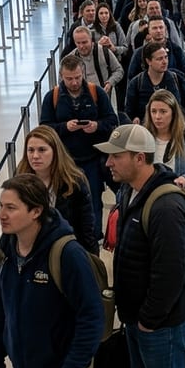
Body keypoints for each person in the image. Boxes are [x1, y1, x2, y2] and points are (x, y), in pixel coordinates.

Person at [98, 125, 185, 368]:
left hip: (162, 324)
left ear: (139, 158)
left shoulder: (166, 206)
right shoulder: (130, 190)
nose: (108, 163)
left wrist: (149, 321)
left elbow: (169, 273)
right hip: (139, 320)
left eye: (116, 156)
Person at [0, 174, 103, 368]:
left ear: (36, 211)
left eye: (11, 207)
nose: (1, 215)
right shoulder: (6, 248)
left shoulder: (66, 253)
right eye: (1, 206)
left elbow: (92, 316)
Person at [40, 54, 119, 241]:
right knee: (64, 201)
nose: (74, 82)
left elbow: (112, 120)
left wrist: (96, 126)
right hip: (64, 161)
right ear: (61, 76)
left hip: (92, 159)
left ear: (82, 73)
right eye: (69, 79)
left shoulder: (96, 92)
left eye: (77, 77)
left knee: (92, 201)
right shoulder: (53, 97)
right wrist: (64, 127)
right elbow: (45, 128)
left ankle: (93, 238)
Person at [17, 126, 97, 253]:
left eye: (42, 150)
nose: (35, 156)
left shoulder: (74, 182)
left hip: (65, 252)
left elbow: (86, 230)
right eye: (30, 150)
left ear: (55, 151)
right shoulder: (19, 181)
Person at [144, 90, 185, 191]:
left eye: (163, 111)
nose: (157, 117)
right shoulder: (143, 136)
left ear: (173, 113)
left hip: (179, 196)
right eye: (153, 111)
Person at [126, 42, 185, 125]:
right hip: (147, 130)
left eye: (166, 57)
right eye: (159, 59)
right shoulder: (136, 83)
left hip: (174, 128)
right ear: (148, 61)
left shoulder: (177, 79)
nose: (164, 62)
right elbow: (129, 109)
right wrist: (134, 118)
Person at [71, 26, 123, 101]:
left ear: (91, 40)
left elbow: (119, 70)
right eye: (78, 43)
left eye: (84, 42)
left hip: (104, 98)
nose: (81, 46)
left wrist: (110, 82)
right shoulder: (71, 59)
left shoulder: (104, 52)